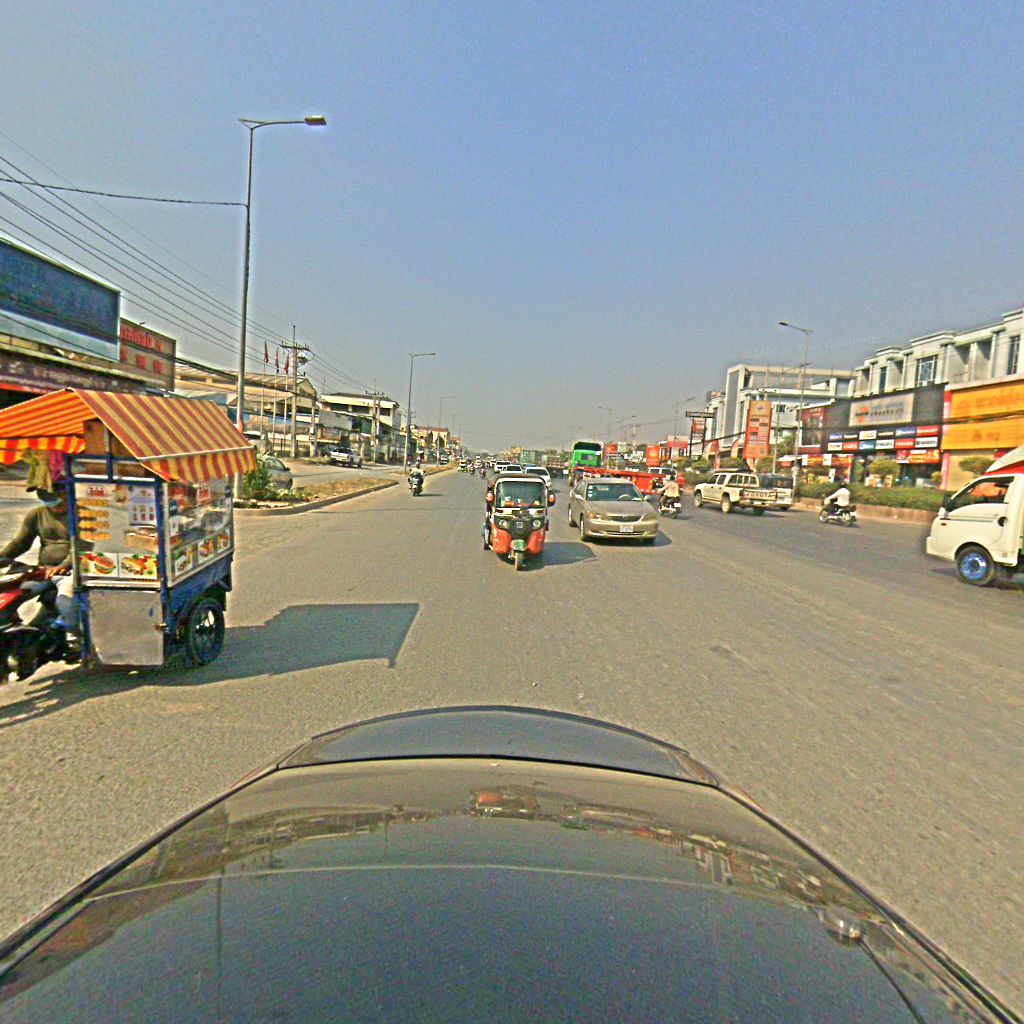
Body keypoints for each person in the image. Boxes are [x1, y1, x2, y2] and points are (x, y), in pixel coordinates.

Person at [0, 486, 78, 631]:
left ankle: (76, 636)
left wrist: (64, 566)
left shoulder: (82, 515)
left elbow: (82, 547)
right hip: (43, 571)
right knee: (11, 593)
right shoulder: (36, 514)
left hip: (71, 573)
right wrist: (2, 558)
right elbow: (20, 543)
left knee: (65, 603)